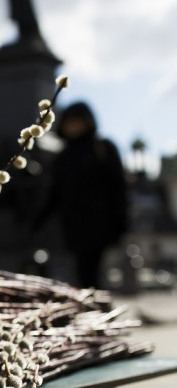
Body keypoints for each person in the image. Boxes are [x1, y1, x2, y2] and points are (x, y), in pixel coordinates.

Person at [35, 101, 128, 289]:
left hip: (100, 225)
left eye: (77, 122)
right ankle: (92, 310)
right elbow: (55, 194)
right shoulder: (62, 158)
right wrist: (37, 220)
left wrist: (120, 222)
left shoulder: (102, 149)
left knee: (93, 272)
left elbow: (118, 187)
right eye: (69, 122)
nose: (73, 126)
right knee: (79, 273)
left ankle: (98, 310)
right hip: (72, 227)